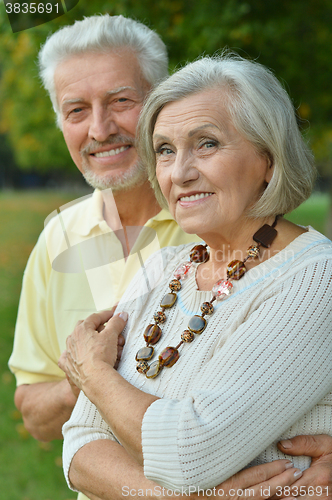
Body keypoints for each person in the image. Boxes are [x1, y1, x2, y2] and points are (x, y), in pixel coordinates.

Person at [8, 13, 332, 500]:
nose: (180, 171)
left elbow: (189, 449)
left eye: (207, 144)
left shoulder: (309, 276)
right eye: (164, 150)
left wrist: (91, 370)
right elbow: (76, 445)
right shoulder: (165, 266)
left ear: (268, 158)